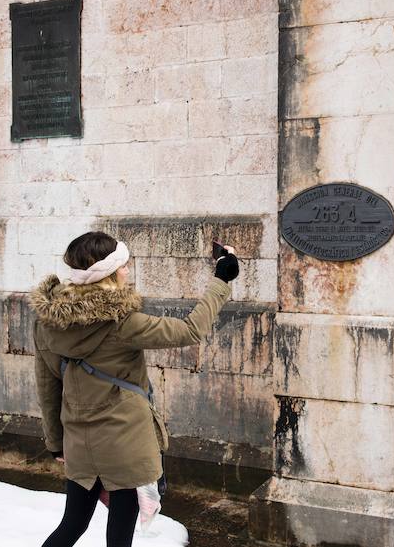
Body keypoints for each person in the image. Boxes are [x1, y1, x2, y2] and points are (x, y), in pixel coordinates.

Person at [30, 231, 239, 547]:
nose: (128, 270)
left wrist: (57, 444)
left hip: (79, 444)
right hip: (123, 445)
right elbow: (191, 330)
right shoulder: (122, 323)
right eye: (123, 266)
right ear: (109, 274)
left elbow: (48, 386)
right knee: (119, 537)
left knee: (71, 525)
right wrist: (221, 278)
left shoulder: (46, 322)